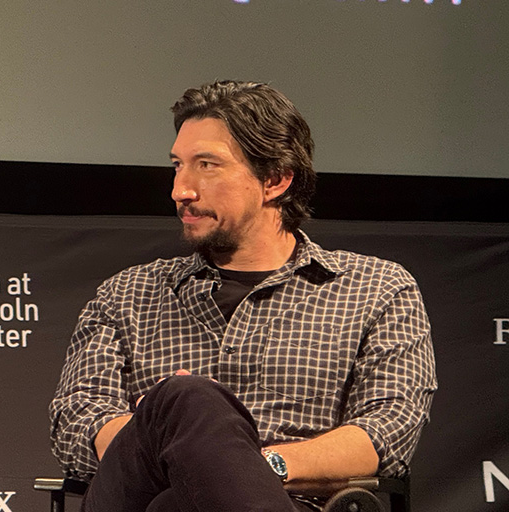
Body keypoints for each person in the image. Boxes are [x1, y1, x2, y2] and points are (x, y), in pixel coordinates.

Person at [49, 81, 436, 511]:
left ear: (275, 179)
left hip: (288, 503)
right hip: (136, 501)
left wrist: (249, 466)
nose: (181, 190)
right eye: (177, 166)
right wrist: (166, 427)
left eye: (207, 165)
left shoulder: (376, 289)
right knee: (183, 400)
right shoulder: (127, 295)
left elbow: (388, 429)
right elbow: (77, 420)